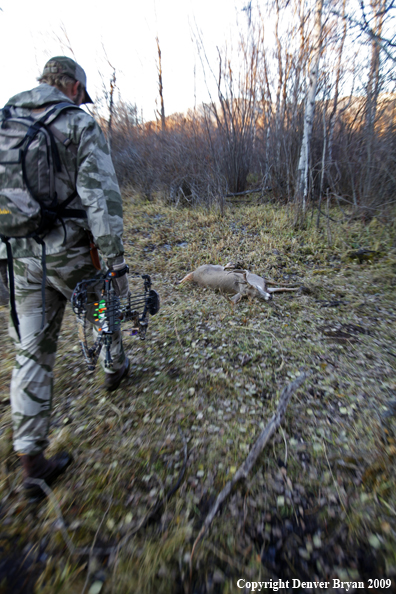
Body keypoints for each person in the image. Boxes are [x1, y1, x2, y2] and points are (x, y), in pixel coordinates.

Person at [0, 56, 130, 499]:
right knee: (100, 307)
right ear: (74, 87)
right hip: (71, 255)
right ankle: (113, 366)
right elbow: (100, 197)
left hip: (19, 257)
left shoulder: (6, 117)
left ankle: (32, 465)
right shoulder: (78, 123)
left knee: (30, 353)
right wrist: (114, 261)